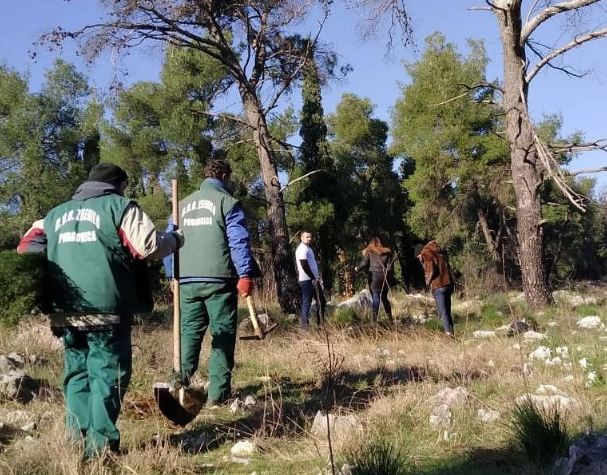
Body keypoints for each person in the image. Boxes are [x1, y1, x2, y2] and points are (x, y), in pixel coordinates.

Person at [17, 162, 183, 459]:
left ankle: (73, 441)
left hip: (66, 309)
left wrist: (62, 254)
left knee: (77, 374)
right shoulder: (119, 207)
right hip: (106, 307)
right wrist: (176, 239)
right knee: (108, 375)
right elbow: (148, 247)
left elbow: (26, 247)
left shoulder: (54, 215)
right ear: (119, 184)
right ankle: (99, 448)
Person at [168, 159, 258, 407]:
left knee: (188, 334)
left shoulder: (181, 205)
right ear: (225, 177)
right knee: (222, 334)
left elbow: (168, 244)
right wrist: (245, 274)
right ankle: (218, 395)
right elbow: (238, 241)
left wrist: (172, 276)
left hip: (186, 280)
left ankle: (178, 387)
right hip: (219, 279)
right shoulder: (227, 202)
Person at [417, 240, 455, 337]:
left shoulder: (426, 253)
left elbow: (430, 270)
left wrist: (427, 282)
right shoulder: (440, 253)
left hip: (438, 285)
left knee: (442, 312)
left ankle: (448, 334)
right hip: (448, 283)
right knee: (447, 310)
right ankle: (451, 332)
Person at [354, 237, 394, 323]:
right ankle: (390, 319)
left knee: (376, 297)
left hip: (374, 278)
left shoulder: (370, 251)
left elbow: (364, 263)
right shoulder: (387, 253)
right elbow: (390, 268)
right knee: (384, 298)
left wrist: (357, 268)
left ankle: (375, 321)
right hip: (385, 278)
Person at [295, 230, 326, 329]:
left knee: (321, 301)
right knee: (307, 303)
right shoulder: (301, 249)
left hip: (313, 279)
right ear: (301, 238)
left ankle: (320, 325)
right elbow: (304, 265)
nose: (309, 239)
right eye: (307, 237)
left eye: (310, 237)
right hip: (307, 280)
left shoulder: (308, 248)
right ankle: (305, 328)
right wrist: (313, 278)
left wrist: (316, 277)